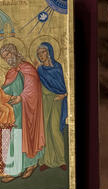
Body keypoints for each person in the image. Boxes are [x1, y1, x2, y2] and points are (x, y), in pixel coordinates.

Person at [0, 43, 45, 183]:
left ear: (14, 52)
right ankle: (15, 168)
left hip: (28, 110)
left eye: (8, 55)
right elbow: (5, 90)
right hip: (15, 111)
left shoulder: (27, 68)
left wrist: (21, 97)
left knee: (24, 137)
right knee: (15, 138)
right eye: (4, 57)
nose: (7, 59)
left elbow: (33, 88)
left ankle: (28, 165)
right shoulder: (11, 73)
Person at [35, 42, 68, 171]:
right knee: (46, 129)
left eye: (42, 52)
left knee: (54, 129)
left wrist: (64, 94)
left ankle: (60, 159)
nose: (41, 55)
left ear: (48, 52)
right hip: (44, 100)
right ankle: (46, 161)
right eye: (38, 54)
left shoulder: (58, 67)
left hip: (56, 100)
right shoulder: (40, 69)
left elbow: (64, 85)